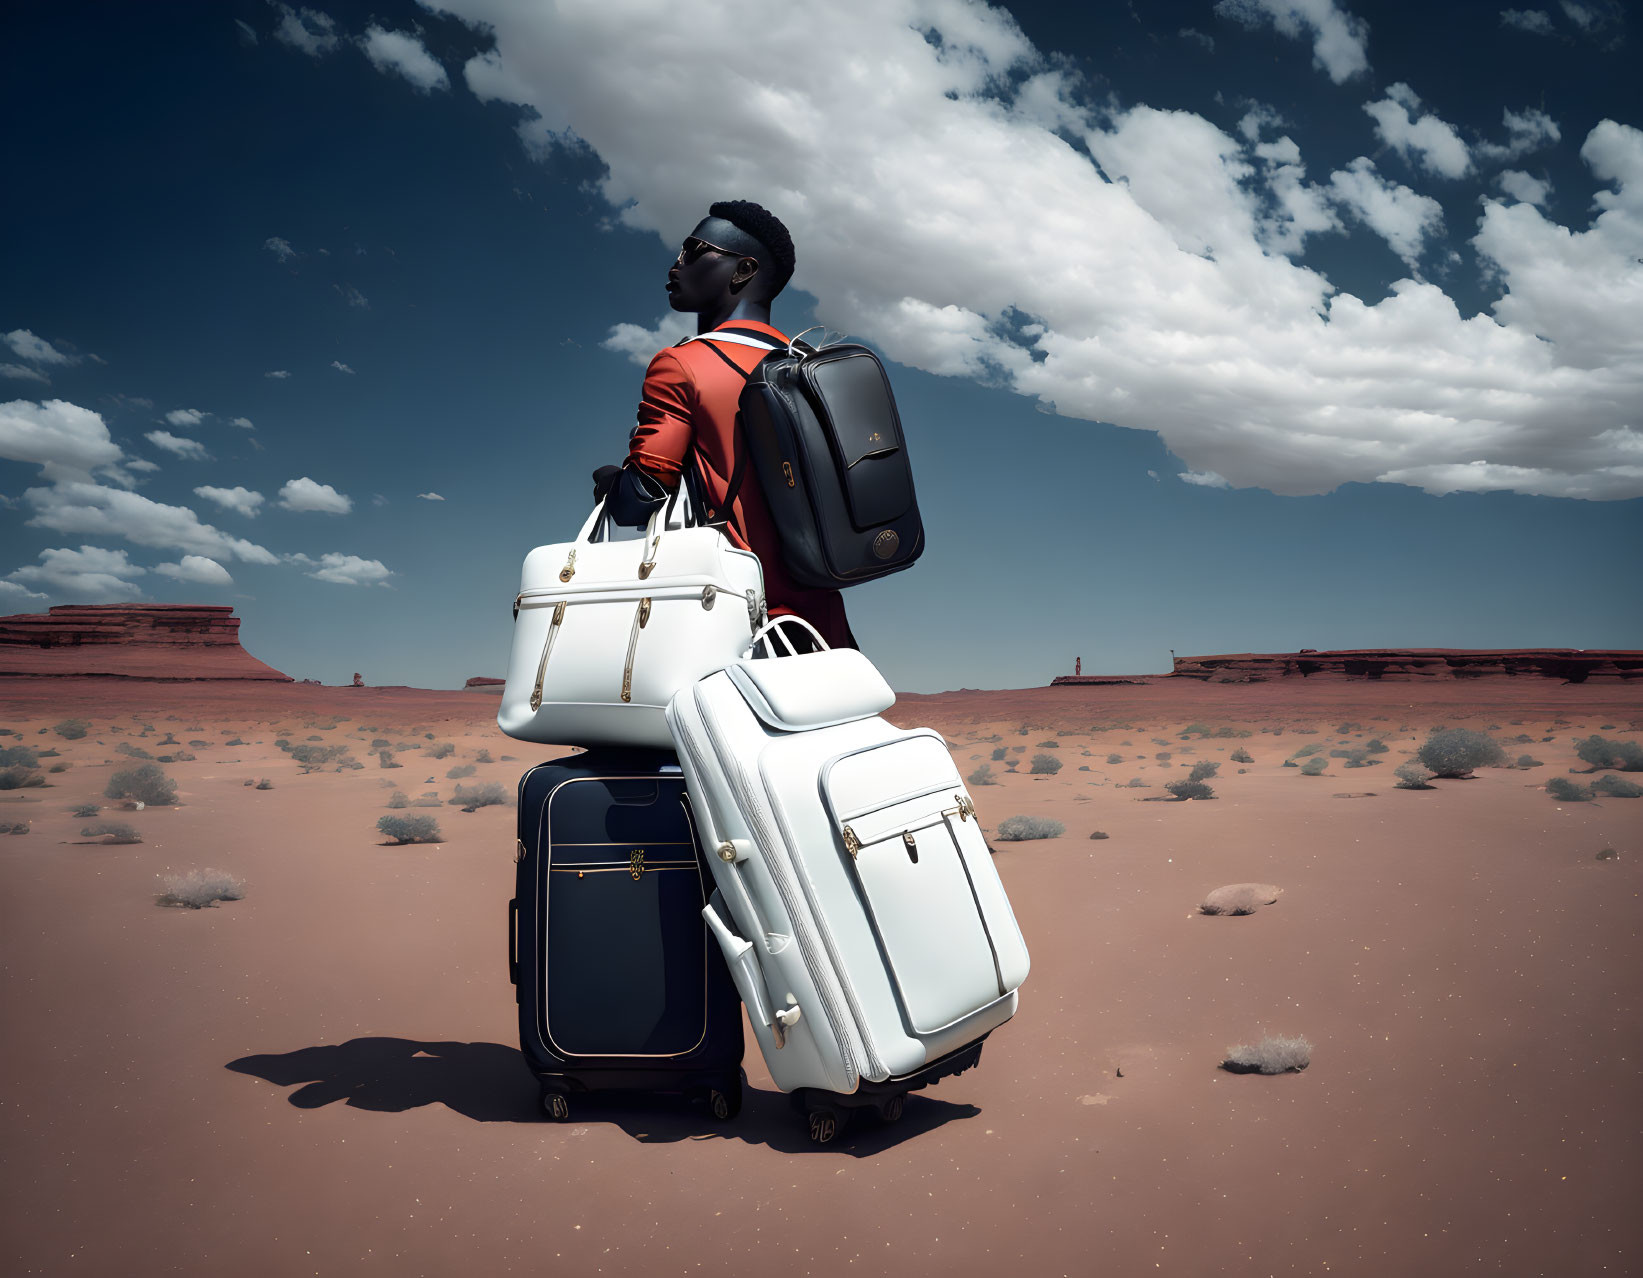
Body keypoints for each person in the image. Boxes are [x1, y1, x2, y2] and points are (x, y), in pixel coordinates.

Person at [592, 200, 856, 650]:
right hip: (822, 627)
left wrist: (609, 484)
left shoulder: (683, 364)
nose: (676, 265)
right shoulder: (808, 367)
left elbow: (641, 495)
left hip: (732, 622)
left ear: (742, 270)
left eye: (694, 251)